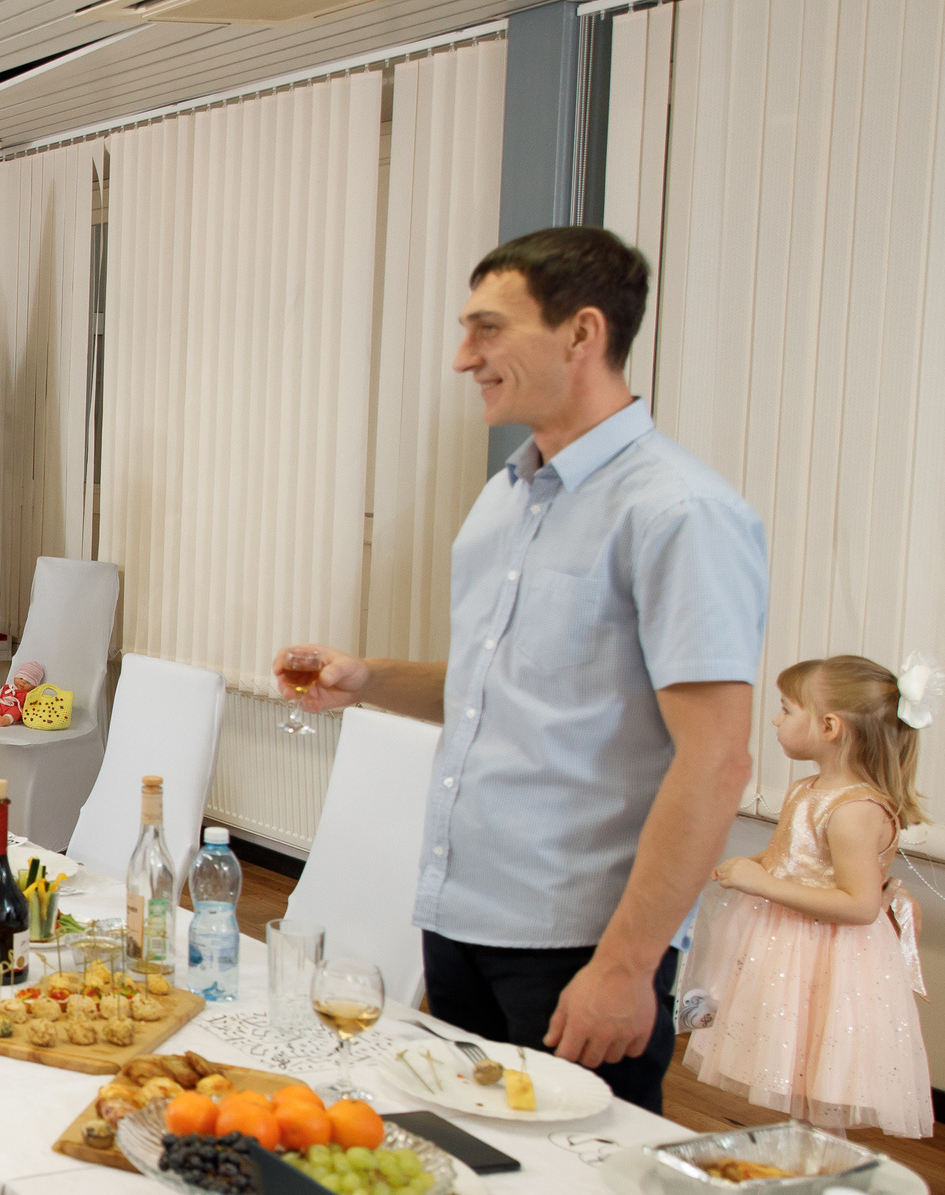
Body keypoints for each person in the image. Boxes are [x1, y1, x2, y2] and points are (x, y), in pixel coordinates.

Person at [277, 227, 765, 1114]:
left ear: (582, 334)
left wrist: (626, 967)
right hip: (461, 920)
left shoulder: (678, 512)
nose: (465, 357)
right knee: (475, 1174)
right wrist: (369, 679)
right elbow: (503, 689)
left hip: (576, 945)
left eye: (488, 329)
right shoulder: (505, 498)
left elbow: (719, 759)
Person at [683, 656, 934, 1137]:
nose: (776, 719)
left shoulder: (855, 810)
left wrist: (763, 884)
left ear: (829, 726)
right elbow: (796, 853)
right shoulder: (807, 788)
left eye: (786, 709)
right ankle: (807, 1162)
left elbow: (861, 905)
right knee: (798, 1066)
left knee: (824, 1074)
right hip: (793, 948)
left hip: (830, 955)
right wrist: (757, 864)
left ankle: (826, 1166)